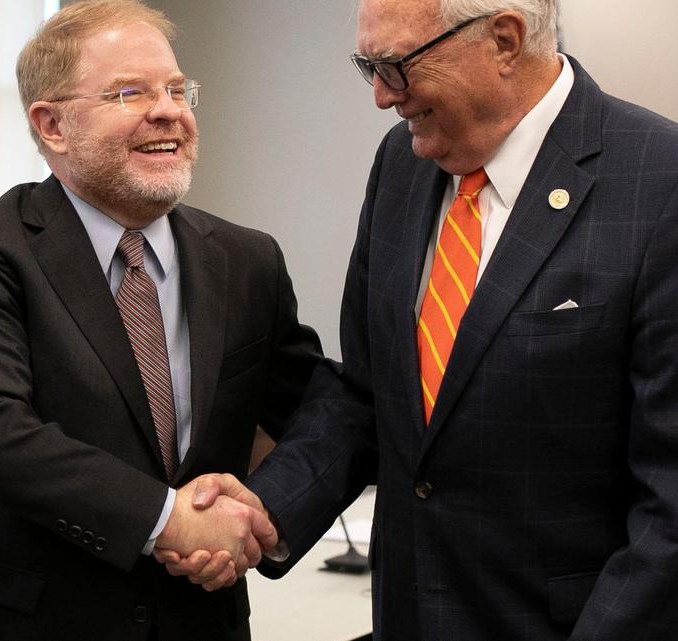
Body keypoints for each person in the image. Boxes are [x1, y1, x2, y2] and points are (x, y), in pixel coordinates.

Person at [165, 0, 678, 639]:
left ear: (504, 40)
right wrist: (268, 507)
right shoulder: (404, 166)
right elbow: (367, 395)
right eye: (369, 67)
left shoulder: (659, 182)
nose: (382, 96)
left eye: (396, 66)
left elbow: (670, 503)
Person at [0, 1, 324, 639]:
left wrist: (266, 513)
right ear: (52, 125)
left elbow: (319, 414)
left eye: (178, 90)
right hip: (25, 623)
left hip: (198, 620)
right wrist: (165, 519)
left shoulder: (247, 259)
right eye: (131, 92)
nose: (169, 111)